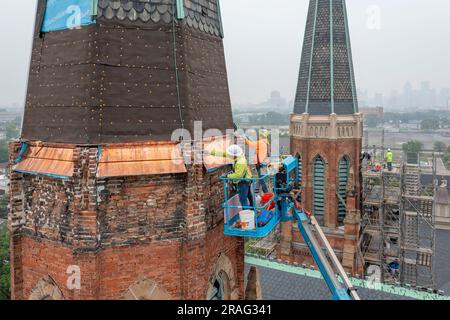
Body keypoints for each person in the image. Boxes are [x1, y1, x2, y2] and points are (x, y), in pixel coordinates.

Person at [243, 129, 270, 193]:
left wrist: (245, 137)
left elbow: (250, 144)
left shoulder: (260, 142)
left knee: (262, 180)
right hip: (263, 163)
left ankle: (266, 194)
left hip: (261, 164)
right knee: (262, 179)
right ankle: (261, 192)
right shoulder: (265, 142)